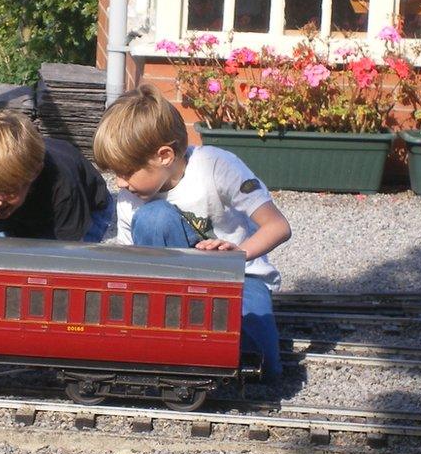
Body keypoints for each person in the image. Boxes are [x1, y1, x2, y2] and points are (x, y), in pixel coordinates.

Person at [92, 85, 292, 381]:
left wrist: (237, 255)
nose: (120, 184)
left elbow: (278, 226)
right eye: (114, 175)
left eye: (126, 172)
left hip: (238, 276)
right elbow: (128, 263)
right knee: (154, 217)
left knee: (264, 365)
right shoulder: (130, 199)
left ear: (164, 156)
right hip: (170, 288)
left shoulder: (215, 165)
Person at [0, 110, 113, 242]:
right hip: (22, 208)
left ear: (35, 173)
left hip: (82, 210)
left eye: (6, 191)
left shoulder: (64, 185)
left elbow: (67, 257)